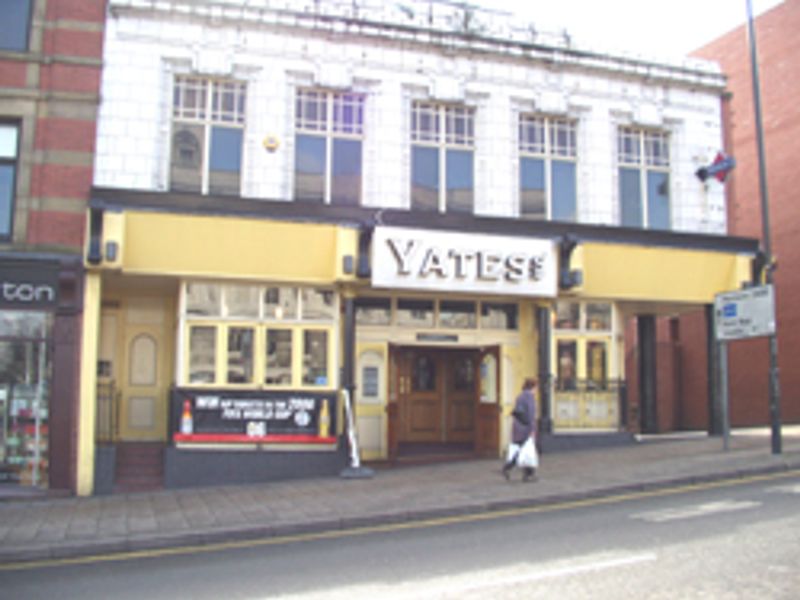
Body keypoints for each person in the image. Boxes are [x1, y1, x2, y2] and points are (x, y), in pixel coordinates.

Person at [502, 377, 538, 482]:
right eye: (536, 387)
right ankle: (527, 474)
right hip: (526, 428)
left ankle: (509, 468)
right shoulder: (530, 398)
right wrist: (532, 429)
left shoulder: (520, 396)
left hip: (518, 427)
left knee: (520, 449)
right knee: (528, 452)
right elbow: (531, 414)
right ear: (533, 387)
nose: (537, 390)